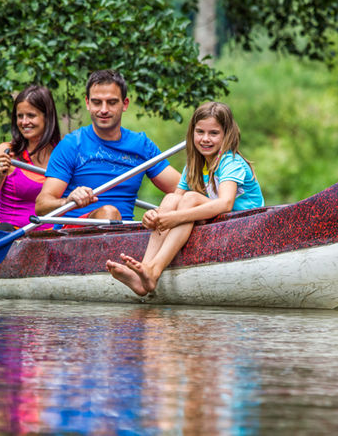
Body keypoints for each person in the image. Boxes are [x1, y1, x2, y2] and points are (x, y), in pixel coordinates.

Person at [106, 101, 264, 296]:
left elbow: (226, 203)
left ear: (226, 134)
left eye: (213, 133)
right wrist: (154, 216)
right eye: (200, 132)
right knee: (172, 198)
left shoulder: (230, 161)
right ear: (192, 133)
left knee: (189, 199)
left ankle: (154, 270)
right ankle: (144, 272)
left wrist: (176, 218)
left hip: (243, 223)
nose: (205, 139)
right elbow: (174, 201)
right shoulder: (193, 166)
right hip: (217, 221)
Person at [35, 69, 180, 223]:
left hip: (123, 238)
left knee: (177, 199)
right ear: (87, 103)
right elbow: (42, 205)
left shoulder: (141, 145)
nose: (104, 110)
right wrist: (68, 201)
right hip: (74, 235)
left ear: (124, 104)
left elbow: (184, 188)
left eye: (111, 102)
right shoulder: (71, 145)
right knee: (109, 213)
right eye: (97, 102)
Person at [0, 85, 60, 231]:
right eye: (20, 116)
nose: (24, 122)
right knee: (5, 230)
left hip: (49, 237)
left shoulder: (64, 153)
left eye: (31, 115)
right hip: (8, 233)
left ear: (47, 117)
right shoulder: (7, 152)